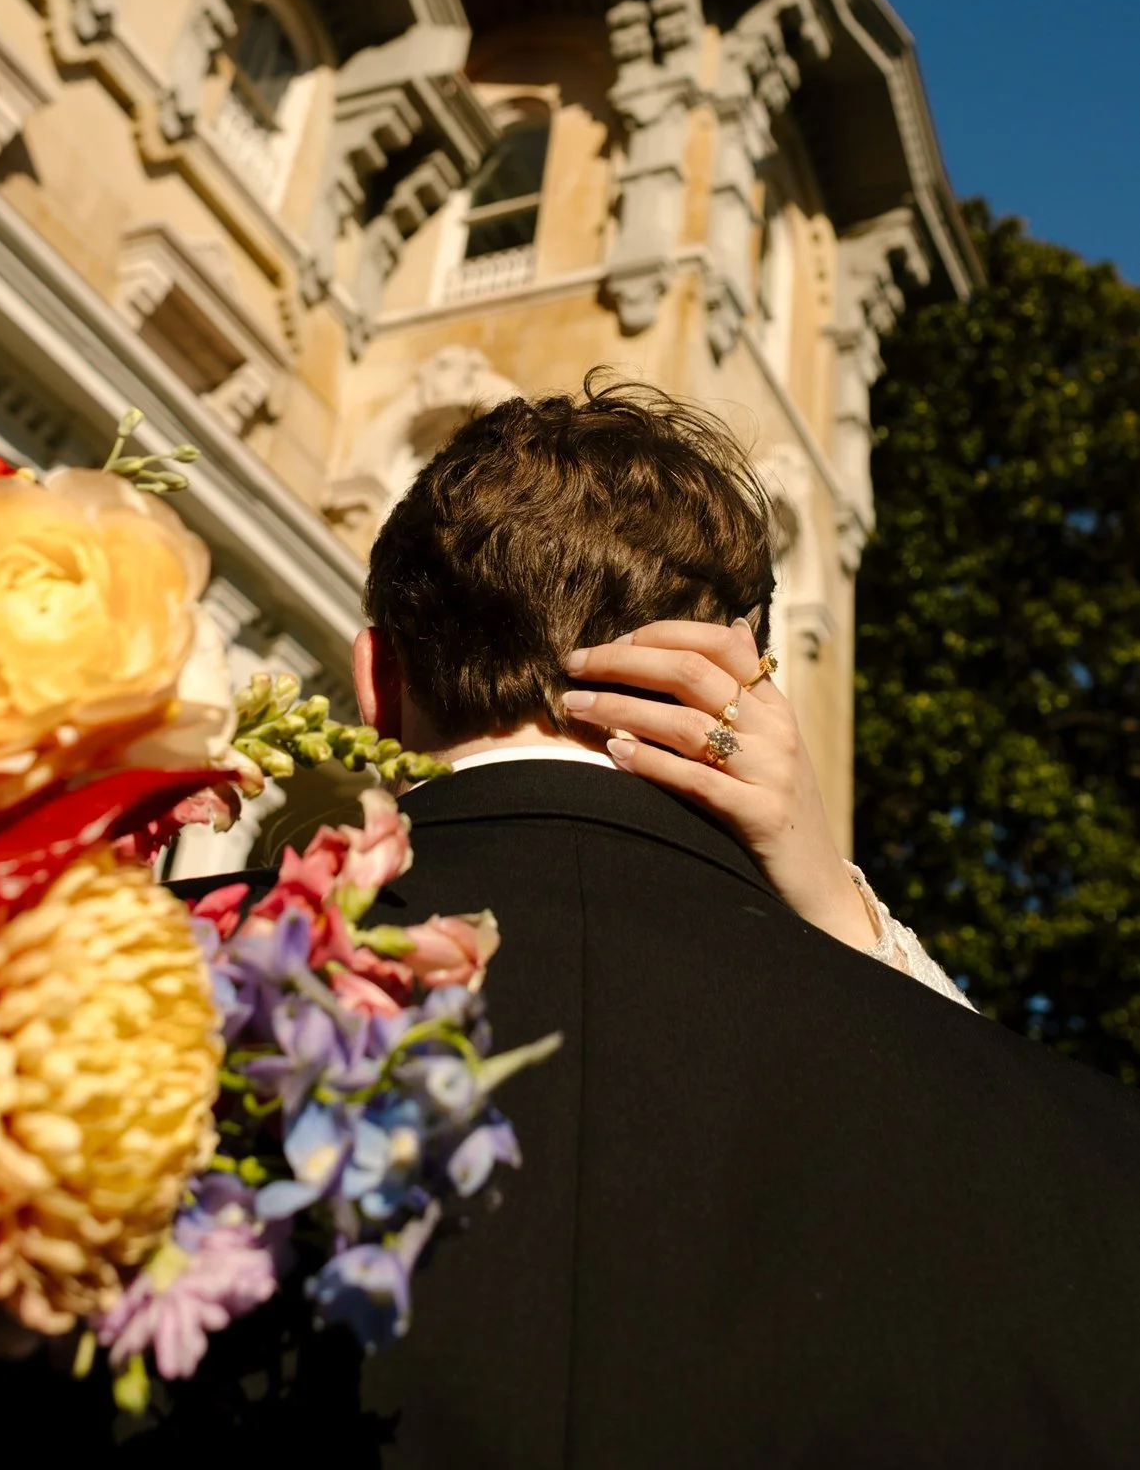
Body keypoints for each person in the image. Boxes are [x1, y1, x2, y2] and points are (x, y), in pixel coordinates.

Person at [343, 377, 1140, 1470]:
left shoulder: (93, 978)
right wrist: (845, 915)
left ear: (374, 681)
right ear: (744, 692)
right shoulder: (1090, 1161)